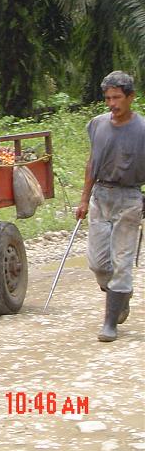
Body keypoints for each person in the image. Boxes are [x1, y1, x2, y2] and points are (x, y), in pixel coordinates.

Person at [76, 71, 145, 342]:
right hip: (100, 197)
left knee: (122, 262)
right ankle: (120, 296)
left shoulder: (142, 129)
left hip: (129, 199)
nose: (112, 104)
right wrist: (83, 199)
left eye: (117, 97)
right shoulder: (96, 124)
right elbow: (91, 164)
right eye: (107, 98)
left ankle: (110, 323)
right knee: (98, 263)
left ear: (131, 97)